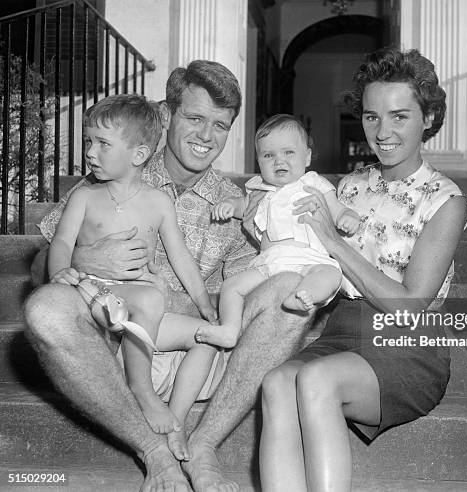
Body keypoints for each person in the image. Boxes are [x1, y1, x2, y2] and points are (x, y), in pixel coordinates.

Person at [24, 60, 315, 492]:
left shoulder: (240, 203)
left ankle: (203, 444)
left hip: (192, 352)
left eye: (220, 125)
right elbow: (39, 266)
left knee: (288, 292)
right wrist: (87, 259)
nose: (206, 136)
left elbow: (237, 300)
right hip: (113, 341)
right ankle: (154, 450)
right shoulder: (108, 172)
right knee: (45, 309)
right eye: (195, 118)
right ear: (166, 114)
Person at [259, 48, 467, 491]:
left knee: (315, 380)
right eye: (372, 117)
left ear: (428, 118)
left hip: (406, 343)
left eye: (399, 116)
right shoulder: (351, 185)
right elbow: (304, 252)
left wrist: (334, 242)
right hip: (341, 330)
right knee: (278, 382)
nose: (383, 131)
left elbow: (411, 306)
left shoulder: (444, 200)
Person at [48, 93, 222, 458]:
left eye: (102, 144)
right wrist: (61, 274)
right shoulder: (84, 197)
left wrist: (205, 304)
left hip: (142, 318)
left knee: (208, 338)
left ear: (138, 155)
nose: (90, 152)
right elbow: (61, 242)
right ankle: (141, 389)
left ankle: (177, 419)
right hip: (95, 299)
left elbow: (180, 256)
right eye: (88, 142)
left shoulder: (158, 202)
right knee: (149, 297)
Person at [210, 114, 360, 341]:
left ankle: (303, 296)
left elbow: (336, 209)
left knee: (331, 275)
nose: (279, 161)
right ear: (258, 161)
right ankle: (229, 329)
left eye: (289, 152)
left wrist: (347, 216)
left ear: (307, 156)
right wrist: (231, 206)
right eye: (269, 155)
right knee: (231, 286)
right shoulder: (258, 189)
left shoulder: (313, 183)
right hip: (271, 262)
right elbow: (244, 207)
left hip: (310, 260)